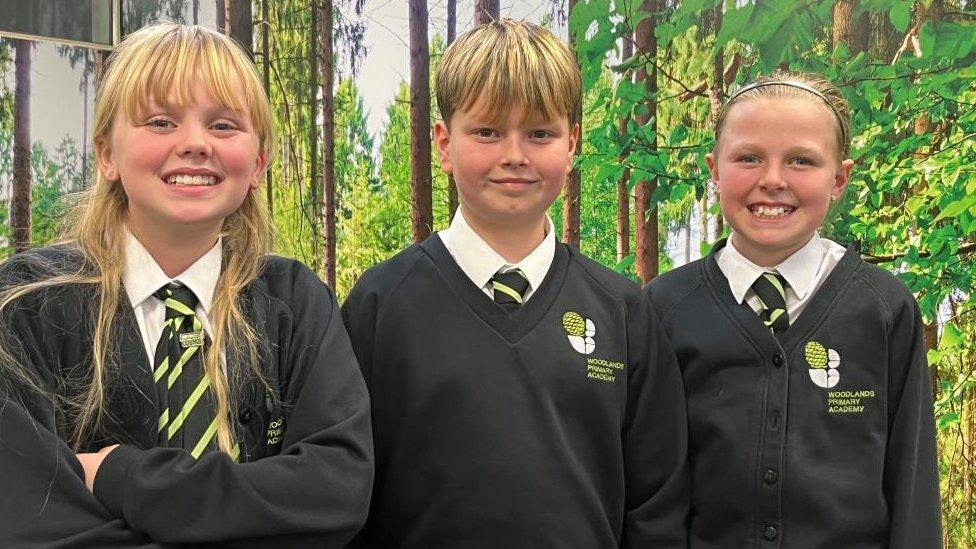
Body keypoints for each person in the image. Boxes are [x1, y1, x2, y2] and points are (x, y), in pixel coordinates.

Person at [0, 22, 373, 547]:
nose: (195, 144)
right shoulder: (26, 306)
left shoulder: (295, 303)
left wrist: (118, 476)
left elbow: (336, 491)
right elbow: (26, 518)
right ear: (106, 153)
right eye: (160, 121)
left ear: (258, 162)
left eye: (223, 126)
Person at [341, 19, 688, 549]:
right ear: (443, 142)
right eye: (487, 132)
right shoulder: (380, 304)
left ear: (571, 143)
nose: (514, 155)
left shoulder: (621, 310)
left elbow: (656, 500)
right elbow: (347, 488)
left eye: (540, 134)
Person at [646, 71, 942, 548]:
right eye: (748, 158)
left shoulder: (885, 309)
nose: (773, 181)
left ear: (840, 178)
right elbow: (650, 490)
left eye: (802, 160)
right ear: (714, 170)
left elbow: (912, 486)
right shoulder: (664, 309)